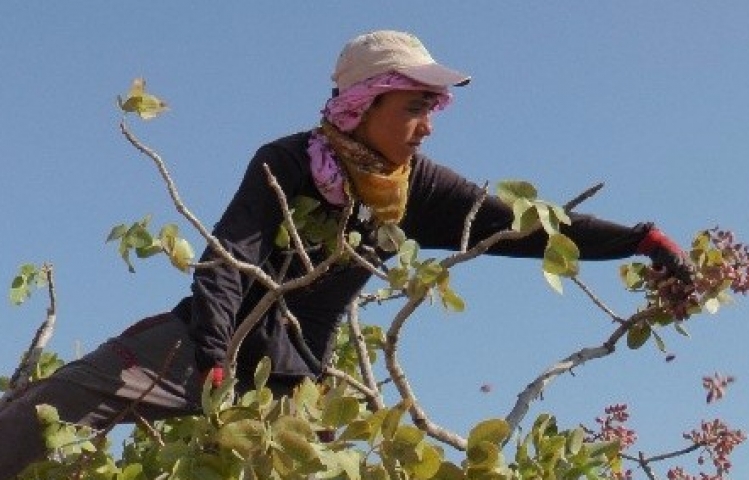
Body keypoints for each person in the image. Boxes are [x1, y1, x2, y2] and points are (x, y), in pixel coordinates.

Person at [0, 30, 692, 478]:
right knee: (30, 420)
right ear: (361, 105)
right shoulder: (289, 161)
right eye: (413, 108)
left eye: (433, 109)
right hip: (198, 350)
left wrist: (639, 240)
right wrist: (214, 360)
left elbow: (521, 226)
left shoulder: (415, 189)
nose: (425, 127)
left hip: (291, 386)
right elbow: (224, 260)